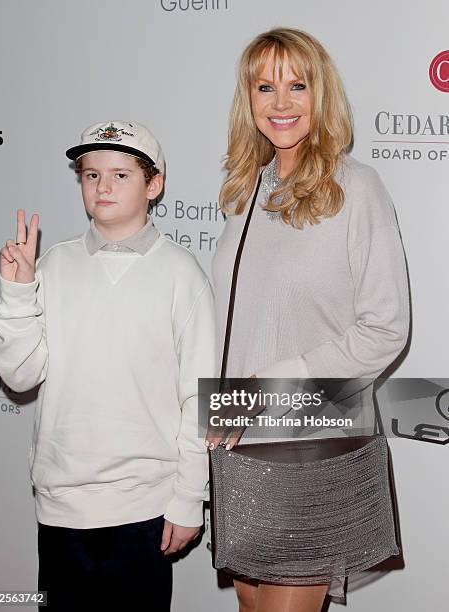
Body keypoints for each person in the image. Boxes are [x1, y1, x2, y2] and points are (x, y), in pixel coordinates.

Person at [207, 29, 410, 612]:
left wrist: (268, 386)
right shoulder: (247, 193)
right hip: (237, 443)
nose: (281, 102)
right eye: (265, 86)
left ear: (322, 95)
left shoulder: (357, 187)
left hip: (311, 442)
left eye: (298, 85)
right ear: (247, 99)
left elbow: (385, 328)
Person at [0, 120, 215, 611]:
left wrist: (188, 499)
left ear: (153, 185)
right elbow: (19, 374)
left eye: (120, 174)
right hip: (59, 509)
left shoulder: (182, 275)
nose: (103, 186)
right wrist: (17, 291)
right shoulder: (52, 265)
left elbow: (200, 397)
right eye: (91, 175)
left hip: (144, 509)